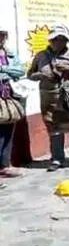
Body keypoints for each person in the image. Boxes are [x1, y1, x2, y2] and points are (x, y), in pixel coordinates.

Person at [27, 24, 69, 172]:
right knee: (54, 129)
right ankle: (57, 158)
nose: (58, 43)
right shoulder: (41, 56)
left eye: (62, 40)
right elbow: (30, 74)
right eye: (55, 39)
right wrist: (40, 75)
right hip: (49, 98)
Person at [0, 26, 25, 178]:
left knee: (8, 132)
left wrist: (3, 69)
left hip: (9, 96)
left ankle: (4, 165)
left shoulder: (9, 53)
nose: (1, 39)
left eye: (3, 36)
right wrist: (7, 72)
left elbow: (20, 71)